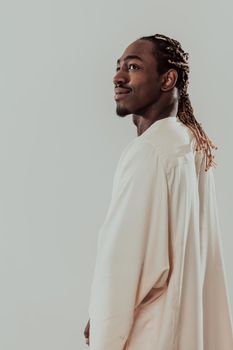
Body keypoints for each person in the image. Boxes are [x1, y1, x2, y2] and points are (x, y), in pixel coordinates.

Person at [83, 33, 233, 350]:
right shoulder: (189, 145)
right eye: (119, 66)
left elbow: (122, 267)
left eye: (134, 67)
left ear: (167, 79)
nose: (118, 77)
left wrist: (104, 328)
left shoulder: (150, 153)